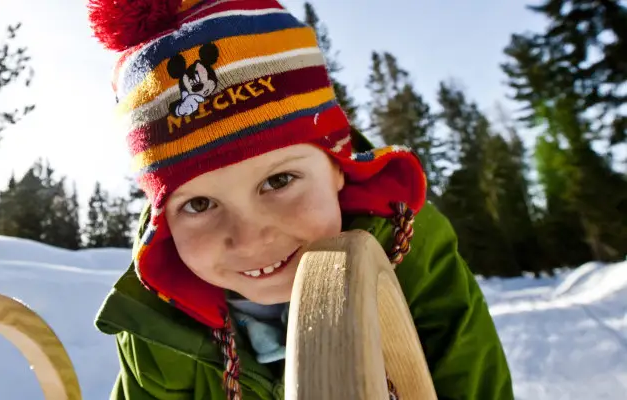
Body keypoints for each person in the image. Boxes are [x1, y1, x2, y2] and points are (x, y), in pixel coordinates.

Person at [87, 0, 515, 398]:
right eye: (199, 205)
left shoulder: (411, 252)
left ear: (338, 167)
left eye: (278, 181)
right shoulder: (156, 325)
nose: (249, 239)